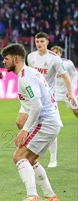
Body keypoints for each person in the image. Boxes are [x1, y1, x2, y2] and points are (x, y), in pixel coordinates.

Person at [1, 44, 60, 201]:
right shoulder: (31, 73)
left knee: (19, 157)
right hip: (52, 121)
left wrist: (25, 130)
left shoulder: (25, 77)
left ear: (16, 59)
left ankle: (32, 195)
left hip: (46, 122)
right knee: (31, 159)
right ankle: (50, 195)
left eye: (6, 59)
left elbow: (37, 106)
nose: (4, 62)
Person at [21, 32, 76, 168]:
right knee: (20, 122)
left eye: (42, 41)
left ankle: (43, 154)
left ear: (47, 42)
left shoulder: (58, 60)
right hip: (35, 95)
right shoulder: (30, 57)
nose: (39, 44)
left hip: (50, 96)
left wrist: (71, 93)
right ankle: (45, 154)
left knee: (60, 121)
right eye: (37, 41)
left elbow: (69, 77)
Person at [50, 46, 78, 118]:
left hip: (67, 92)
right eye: (53, 53)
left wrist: (70, 90)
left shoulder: (68, 63)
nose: (55, 54)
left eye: (56, 52)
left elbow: (75, 75)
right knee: (50, 112)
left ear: (60, 54)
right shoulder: (48, 65)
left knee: (76, 111)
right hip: (55, 92)